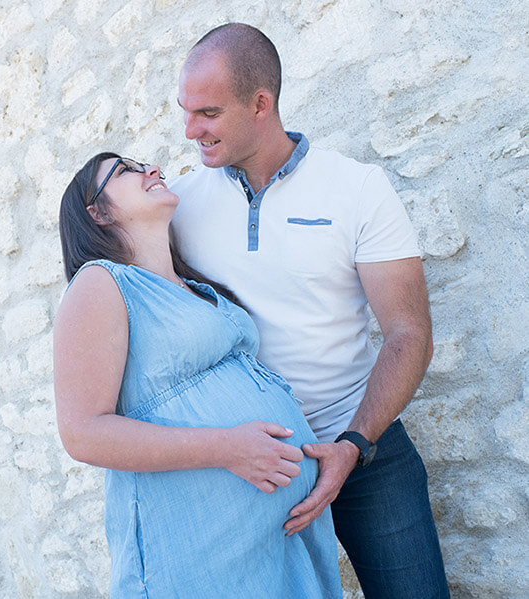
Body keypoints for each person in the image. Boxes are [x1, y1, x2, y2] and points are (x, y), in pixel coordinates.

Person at [169, 23, 448, 598]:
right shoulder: (179, 206)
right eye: (186, 111)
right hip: (256, 466)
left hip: (365, 449)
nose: (191, 130)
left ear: (261, 104)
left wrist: (353, 443)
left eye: (209, 113)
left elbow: (408, 331)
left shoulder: (357, 188)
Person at [53, 152, 343, 598]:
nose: (150, 169)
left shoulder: (198, 288)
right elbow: (82, 433)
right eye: (125, 170)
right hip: (199, 556)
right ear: (97, 212)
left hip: (278, 547)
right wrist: (228, 448)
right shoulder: (101, 283)